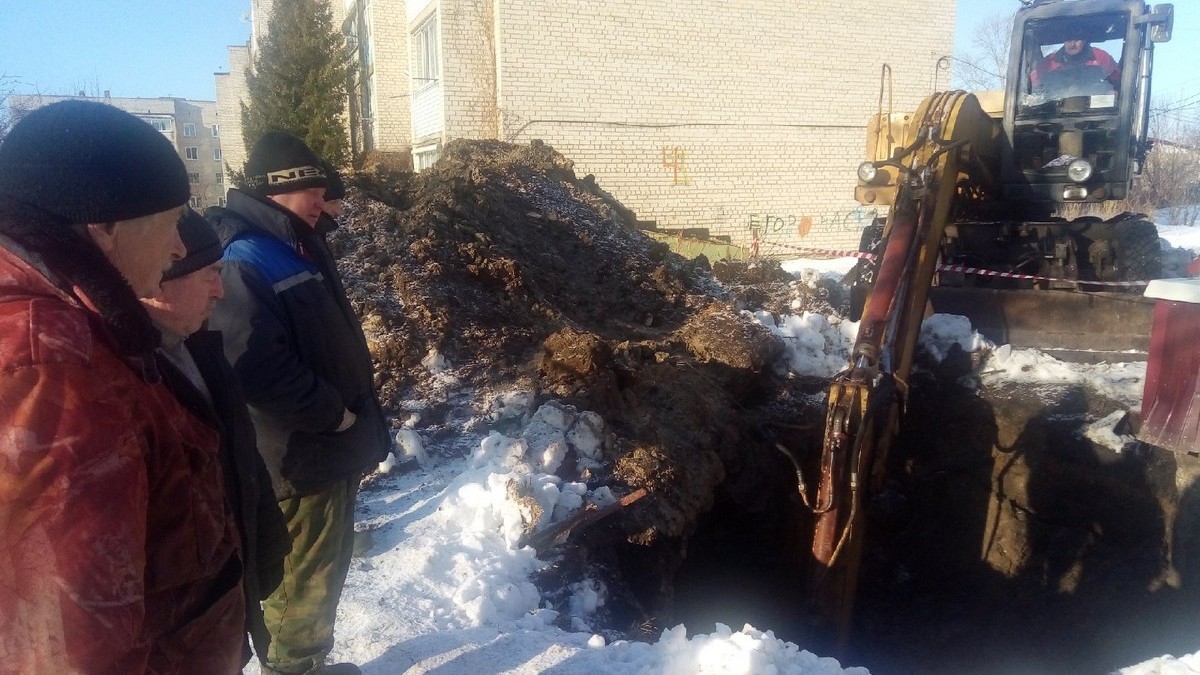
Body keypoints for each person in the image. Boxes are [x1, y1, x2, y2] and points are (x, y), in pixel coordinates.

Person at [0, 100, 246, 672]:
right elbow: (66, 647)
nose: (180, 248)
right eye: (169, 222)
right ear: (105, 227)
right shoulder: (50, 368)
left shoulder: (71, 322)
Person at [206, 132, 390, 675]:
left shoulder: (289, 242)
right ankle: (294, 669)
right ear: (281, 189)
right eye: (315, 191)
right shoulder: (246, 256)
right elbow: (254, 367)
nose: (325, 202)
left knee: (321, 572)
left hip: (324, 450)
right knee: (303, 582)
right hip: (301, 454)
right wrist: (334, 415)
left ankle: (303, 662)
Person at [141, 209, 291, 670]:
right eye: (209, 274)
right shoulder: (131, 377)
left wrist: (264, 541)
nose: (220, 291)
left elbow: (238, 454)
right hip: (173, 638)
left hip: (219, 608)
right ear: (158, 280)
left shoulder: (197, 347)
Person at [1031, 36, 1121, 93]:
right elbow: (1031, 87)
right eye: (1069, 39)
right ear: (1063, 40)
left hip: (1097, 116)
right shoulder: (1048, 63)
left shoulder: (1100, 57)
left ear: (1084, 40)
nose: (1072, 44)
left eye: (1077, 39)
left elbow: (1119, 82)